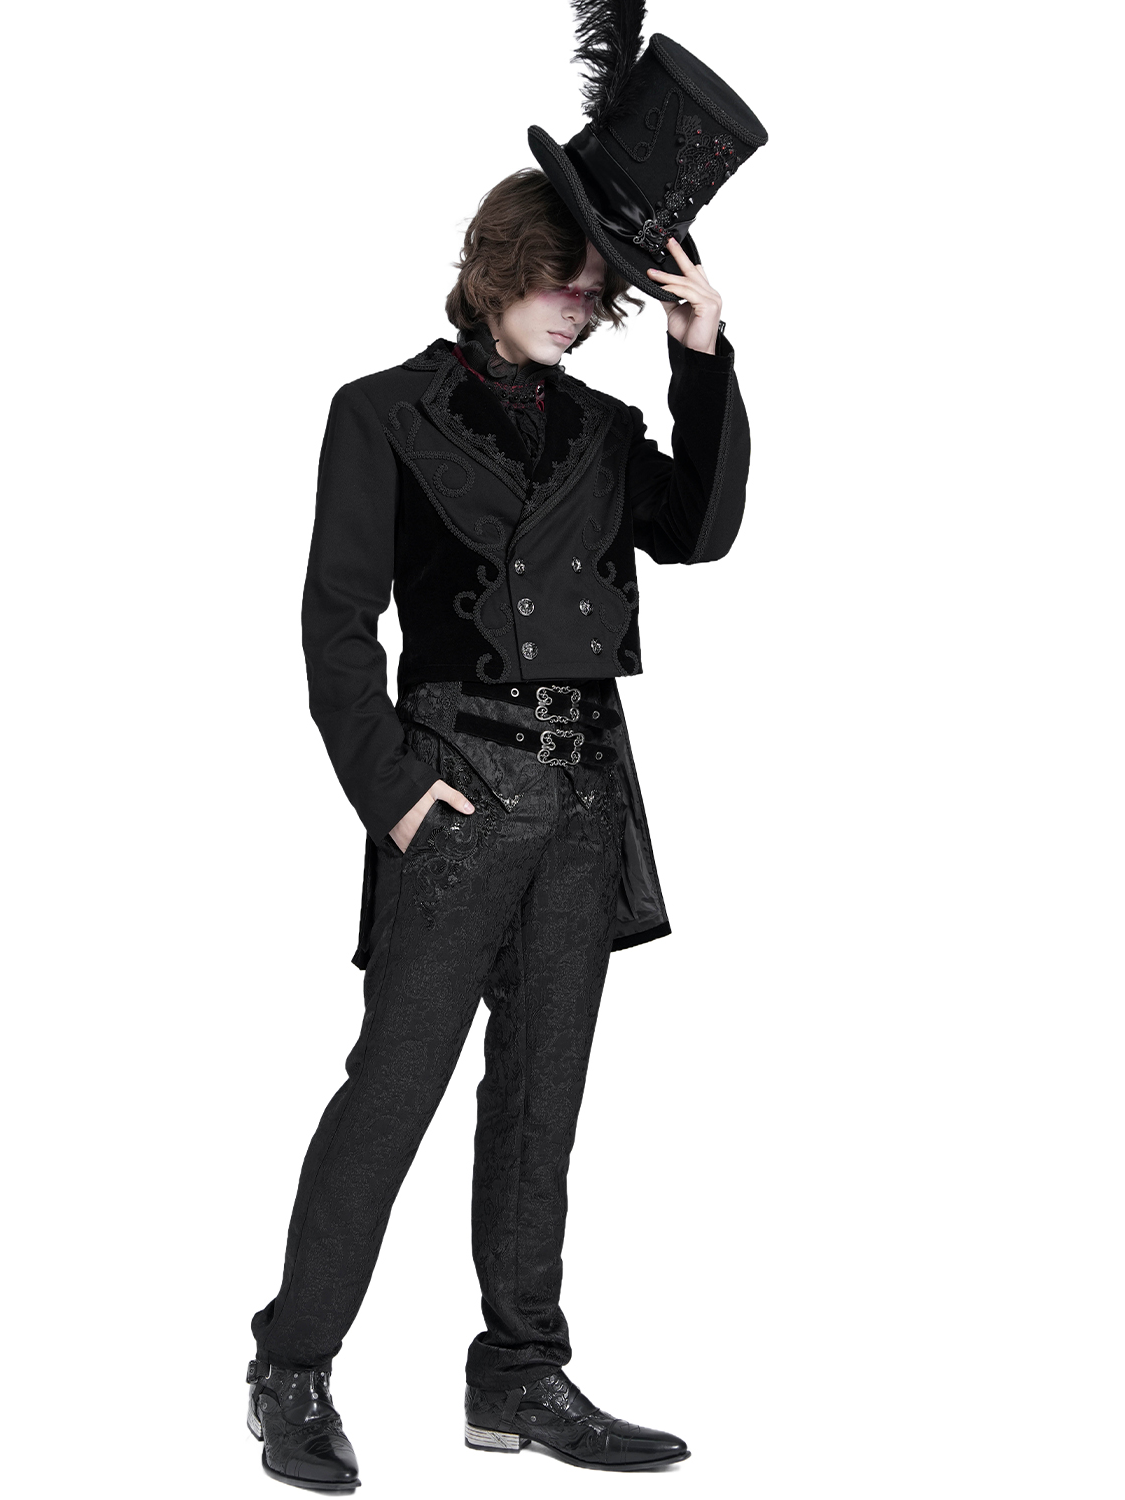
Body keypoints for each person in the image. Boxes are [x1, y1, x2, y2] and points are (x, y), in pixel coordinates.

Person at [246, 16, 768, 1490]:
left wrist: (704, 357)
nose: (580, 309)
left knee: (543, 1101)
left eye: (599, 294)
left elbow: (701, 531)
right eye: (563, 282)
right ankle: (291, 1368)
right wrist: (394, 790)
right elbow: (335, 625)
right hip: (456, 788)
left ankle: (520, 1376)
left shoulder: (602, 429)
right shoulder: (381, 414)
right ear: (498, 266)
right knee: (394, 1089)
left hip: (585, 794)